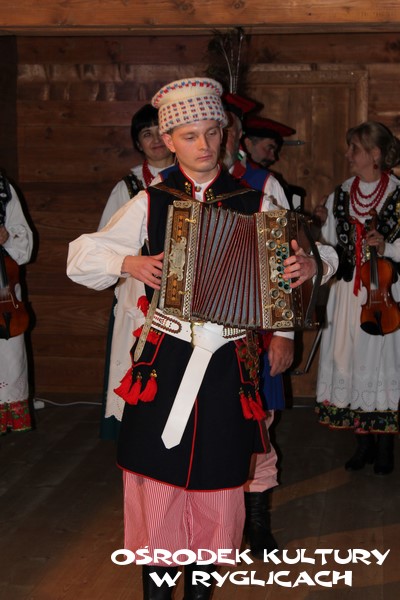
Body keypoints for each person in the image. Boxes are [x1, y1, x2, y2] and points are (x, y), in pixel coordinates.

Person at [67, 77, 336, 600]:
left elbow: (315, 256)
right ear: (169, 141)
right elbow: (82, 256)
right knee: (157, 474)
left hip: (228, 366)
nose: (204, 145)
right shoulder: (150, 202)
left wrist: (311, 266)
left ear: (224, 132)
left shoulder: (255, 200)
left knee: (217, 478)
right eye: (190, 136)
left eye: (212, 132)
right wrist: (128, 262)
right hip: (164, 362)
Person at [222, 93, 299, 558]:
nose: (217, 138)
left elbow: (285, 260)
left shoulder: (262, 183)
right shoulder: (172, 185)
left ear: (238, 135)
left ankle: (257, 522)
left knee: (258, 427)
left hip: (255, 329)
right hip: (197, 338)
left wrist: (284, 333)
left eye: (226, 128)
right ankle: (217, 522)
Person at [314, 120, 400, 476]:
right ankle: (362, 443)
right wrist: (318, 222)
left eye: (355, 149)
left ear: (375, 153)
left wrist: (387, 247)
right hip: (348, 295)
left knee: (382, 361)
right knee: (348, 357)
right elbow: (329, 245)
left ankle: (385, 447)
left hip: (386, 291)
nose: (348, 154)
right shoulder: (341, 194)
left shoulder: (398, 194)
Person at [98, 104, 174, 440]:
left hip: (182, 290)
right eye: (146, 134)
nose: (155, 139)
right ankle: (134, 432)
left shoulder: (188, 180)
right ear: (137, 142)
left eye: (160, 132)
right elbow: (105, 242)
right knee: (133, 356)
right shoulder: (128, 187)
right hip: (137, 290)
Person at [0, 171, 34, 435]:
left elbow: (24, 245)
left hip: (2, 294)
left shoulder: (2, 188)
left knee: (8, 355)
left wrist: (7, 236)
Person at [242, 115, 306, 211]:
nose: (273, 157)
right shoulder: (266, 181)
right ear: (248, 144)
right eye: (269, 148)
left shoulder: (271, 181)